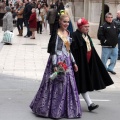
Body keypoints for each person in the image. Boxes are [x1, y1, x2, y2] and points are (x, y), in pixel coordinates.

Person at [30, 13, 82, 119]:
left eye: (68, 22)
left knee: (68, 84)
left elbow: (69, 50)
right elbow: (54, 51)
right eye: (64, 21)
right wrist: (54, 64)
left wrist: (74, 62)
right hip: (57, 61)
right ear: (59, 22)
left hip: (67, 61)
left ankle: (67, 110)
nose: (66, 24)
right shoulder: (56, 34)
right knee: (57, 84)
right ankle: (54, 110)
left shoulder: (68, 33)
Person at [71, 17, 114, 111]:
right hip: (78, 65)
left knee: (82, 84)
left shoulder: (86, 36)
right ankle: (81, 103)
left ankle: (89, 104)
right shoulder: (74, 36)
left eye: (88, 27)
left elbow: (91, 49)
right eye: (85, 27)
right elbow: (72, 51)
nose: (87, 28)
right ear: (80, 27)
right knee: (78, 84)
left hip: (86, 64)